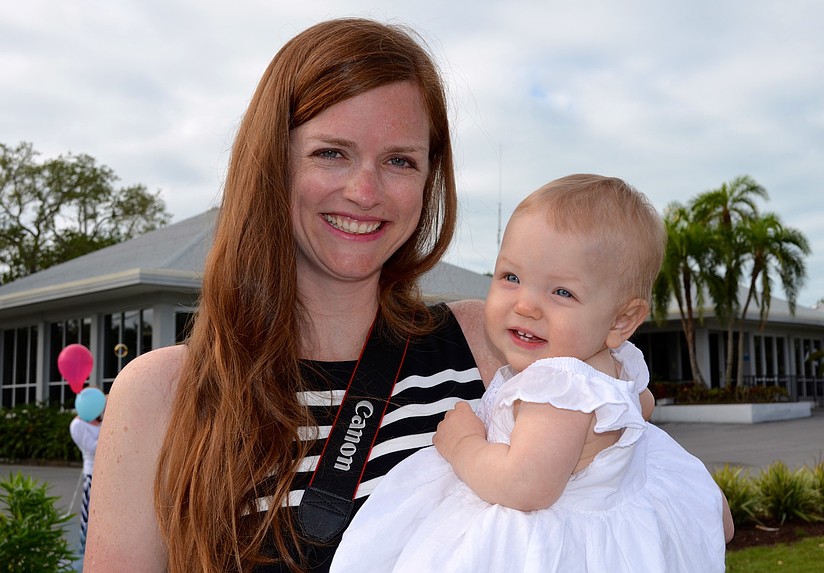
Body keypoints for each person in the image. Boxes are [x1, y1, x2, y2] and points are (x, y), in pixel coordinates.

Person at [83, 17, 506, 573]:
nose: (364, 191)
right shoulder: (161, 396)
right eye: (331, 152)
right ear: (272, 164)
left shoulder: (489, 347)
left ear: (430, 179)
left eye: (400, 160)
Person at [331, 174, 733, 572]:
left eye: (562, 292)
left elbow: (525, 485)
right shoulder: (616, 368)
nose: (526, 305)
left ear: (620, 321)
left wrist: (464, 445)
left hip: (536, 546)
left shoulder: (558, 386)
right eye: (511, 277)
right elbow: (641, 406)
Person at [69, 408, 102, 557]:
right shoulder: (77, 424)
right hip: (92, 473)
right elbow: (92, 447)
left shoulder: (101, 420)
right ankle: (84, 547)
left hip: (106, 471)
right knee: (88, 512)